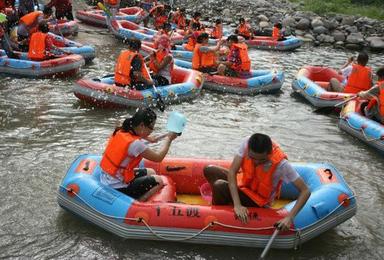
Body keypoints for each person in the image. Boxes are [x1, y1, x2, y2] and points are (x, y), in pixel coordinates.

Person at [203, 133, 311, 229]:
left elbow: (305, 191)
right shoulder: (246, 143)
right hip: (245, 186)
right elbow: (232, 172)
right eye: (252, 158)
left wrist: (289, 218)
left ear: (269, 154)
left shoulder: (282, 165)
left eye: (262, 160)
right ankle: (227, 203)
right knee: (209, 170)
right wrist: (237, 205)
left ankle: (219, 214)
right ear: (249, 150)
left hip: (259, 201)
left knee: (219, 185)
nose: (256, 162)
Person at [100, 108, 178, 201]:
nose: (152, 130)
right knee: (159, 181)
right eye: (151, 127)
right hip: (117, 186)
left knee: (151, 172)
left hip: (109, 177)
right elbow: (158, 158)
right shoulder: (136, 144)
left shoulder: (122, 130)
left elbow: (141, 138)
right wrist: (169, 140)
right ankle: (138, 203)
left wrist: (152, 138)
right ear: (142, 125)